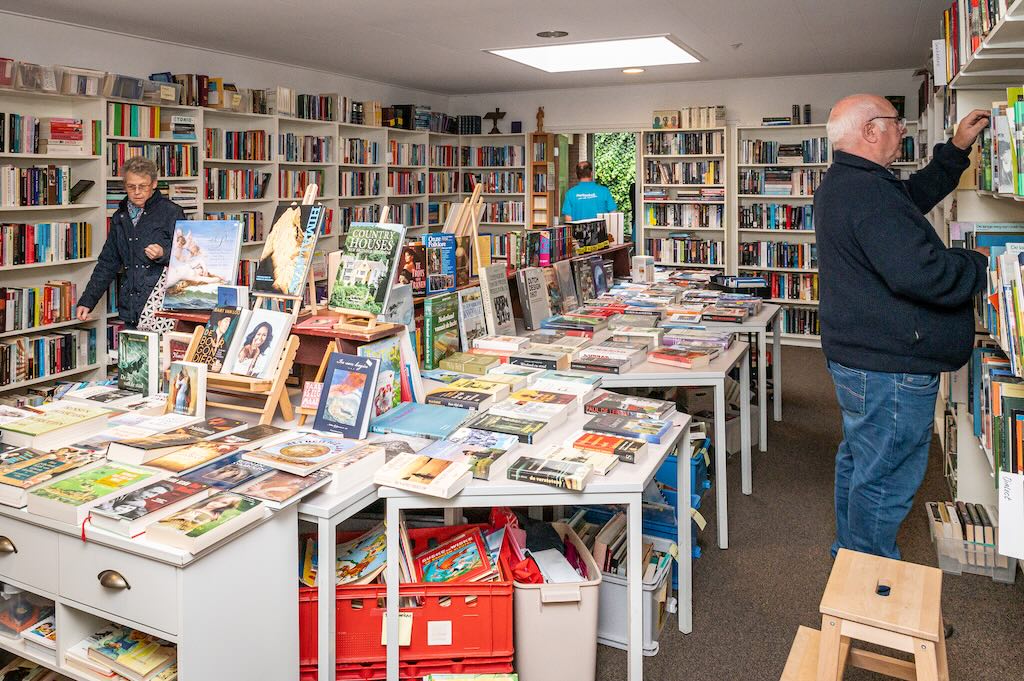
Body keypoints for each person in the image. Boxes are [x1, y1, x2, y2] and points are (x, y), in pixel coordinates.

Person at [815, 94, 991, 560]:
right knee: (884, 481)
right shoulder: (867, 193)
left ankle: (849, 559)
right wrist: (980, 264)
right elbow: (921, 274)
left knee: (860, 463)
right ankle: (870, 592)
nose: (904, 129)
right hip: (887, 368)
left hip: (861, 357)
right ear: (871, 131)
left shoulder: (849, 182)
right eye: (897, 122)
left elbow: (907, 203)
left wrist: (954, 151)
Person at [76, 156, 185, 328]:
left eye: (143, 186)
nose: (137, 192)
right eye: (131, 186)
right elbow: (107, 263)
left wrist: (163, 254)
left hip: (163, 308)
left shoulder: (172, 212)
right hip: (130, 307)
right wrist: (87, 301)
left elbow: (187, 258)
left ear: (154, 184)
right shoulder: (120, 217)